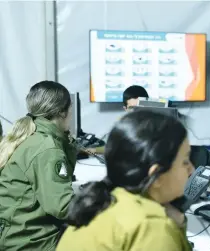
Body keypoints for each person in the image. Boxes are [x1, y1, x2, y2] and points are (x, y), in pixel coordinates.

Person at [57, 110, 194, 251]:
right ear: (157, 175)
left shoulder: (104, 201)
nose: (192, 169)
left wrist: (177, 223)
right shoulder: (151, 226)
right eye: (185, 161)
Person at [0, 81, 77, 251]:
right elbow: (63, 207)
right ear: (62, 112)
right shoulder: (46, 148)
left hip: (16, 233)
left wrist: (67, 142)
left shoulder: (29, 135)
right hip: (33, 241)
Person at [88, 85, 149, 154]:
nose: (137, 112)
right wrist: (93, 150)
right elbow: (112, 148)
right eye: (133, 108)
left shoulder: (158, 125)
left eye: (140, 107)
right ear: (125, 109)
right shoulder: (123, 126)